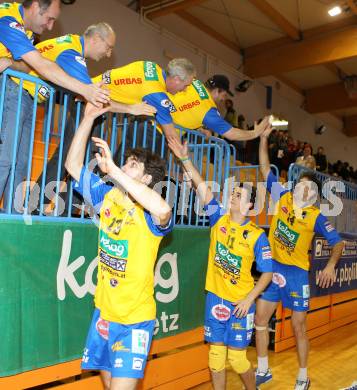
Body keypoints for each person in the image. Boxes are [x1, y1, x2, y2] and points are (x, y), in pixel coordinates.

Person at [65, 102, 173, 390]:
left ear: (147, 179)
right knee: (112, 383)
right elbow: (72, 166)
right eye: (124, 162)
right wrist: (88, 119)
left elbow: (164, 212)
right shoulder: (108, 196)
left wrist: (113, 169)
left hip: (134, 320)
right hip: (104, 312)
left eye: (132, 164)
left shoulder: (149, 212)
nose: (124, 166)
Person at [168, 136, 273, 390]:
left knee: (237, 360)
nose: (233, 198)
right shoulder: (218, 218)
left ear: (249, 206)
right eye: (233, 194)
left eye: (238, 196)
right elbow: (202, 185)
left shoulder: (258, 236)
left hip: (240, 302)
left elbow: (268, 274)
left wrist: (249, 299)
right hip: (215, 298)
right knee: (215, 359)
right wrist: (184, 159)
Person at [255, 127, 344, 390]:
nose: (300, 190)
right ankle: (263, 370)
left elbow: (337, 243)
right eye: (299, 186)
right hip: (273, 269)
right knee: (260, 320)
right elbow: (264, 170)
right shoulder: (282, 196)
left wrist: (330, 265)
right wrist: (262, 139)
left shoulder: (316, 217)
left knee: (298, 326)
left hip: (295, 274)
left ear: (313, 195)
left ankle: (303, 376)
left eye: (306, 188)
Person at [0, 0, 109, 212]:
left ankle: (12, 218)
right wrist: (87, 90)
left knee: (20, 163)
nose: (50, 27)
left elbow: (28, 63)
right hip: (14, 93)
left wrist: (11, 62)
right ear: (35, 6)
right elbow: (40, 65)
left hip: (27, 98)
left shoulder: (26, 32)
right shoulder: (8, 19)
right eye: (49, 18)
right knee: (6, 159)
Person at [93, 58, 196, 158]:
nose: (185, 90)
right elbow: (171, 135)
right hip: (88, 101)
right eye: (186, 85)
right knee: (88, 158)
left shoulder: (152, 66)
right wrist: (185, 160)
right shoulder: (156, 94)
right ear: (177, 79)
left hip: (91, 92)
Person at [168, 74, 270, 141]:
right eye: (224, 95)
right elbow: (232, 134)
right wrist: (255, 133)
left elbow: (187, 109)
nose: (223, 99)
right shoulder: (208, 108)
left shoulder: (193, 82)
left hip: (155, 120)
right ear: (217, 91)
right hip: (160, 133)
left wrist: (199, 128)